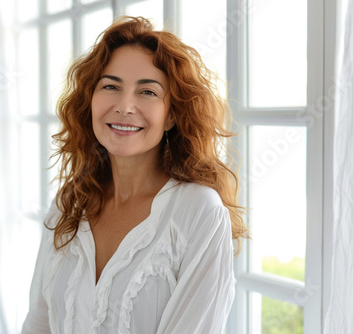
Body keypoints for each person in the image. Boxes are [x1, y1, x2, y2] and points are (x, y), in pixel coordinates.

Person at [22, 16, 247, 334]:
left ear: (171, 115)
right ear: (90, 102)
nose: (125, 106)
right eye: (110, 86)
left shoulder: (198, 211)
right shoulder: (68, 204)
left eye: (148, 92)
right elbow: (38, 322)